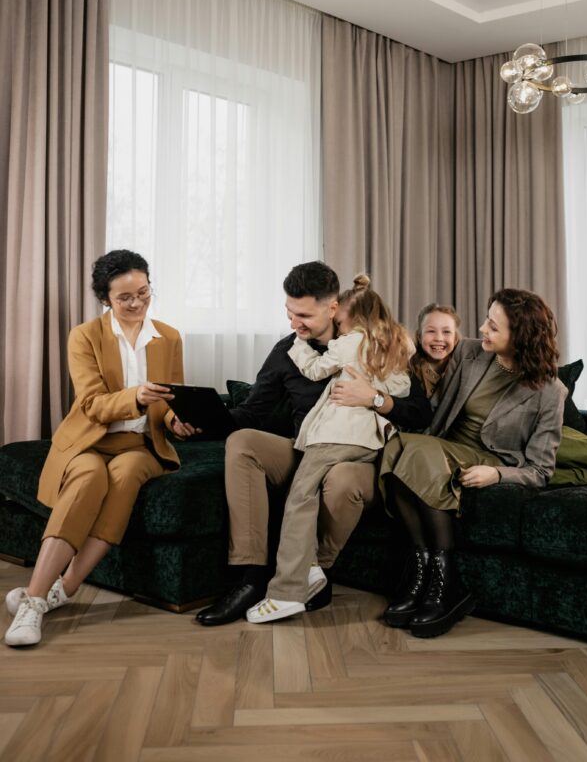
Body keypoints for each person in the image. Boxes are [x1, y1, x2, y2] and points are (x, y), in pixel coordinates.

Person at [195, 261, 432, 627]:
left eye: (303, 315)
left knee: (338, 478)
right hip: (309, 447)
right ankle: (250, 577)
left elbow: (419, 413)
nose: (294, 324)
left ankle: (312, 572)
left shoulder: (381, 345)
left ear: (334, 308)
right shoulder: (287, 349)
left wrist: (373, 398)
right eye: (289, 313)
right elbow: (252, 412)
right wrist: (201, 423)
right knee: (242, 442)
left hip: (363, 462)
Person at [4, 249, 195, 648]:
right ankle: (35, 599)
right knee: (89, 476)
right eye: (125, 297)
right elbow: (91, 404)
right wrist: (137, 396)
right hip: (92, 438)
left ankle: (64, 588)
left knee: (125, 474)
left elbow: (169, 403)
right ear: (105, 297)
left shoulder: (170, 337)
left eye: (144, 292)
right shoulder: (85, 336)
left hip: (141, 446)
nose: (137, 303)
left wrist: (175, 421)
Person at [378, 288, 567, 640]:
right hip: (443, 445)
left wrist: (497, 473)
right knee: (396, 446)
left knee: (417, 451)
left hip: (488, 457)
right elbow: (418, 352)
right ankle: (424, 566)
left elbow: (541, 471)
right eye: (486, 320)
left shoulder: (549, 391)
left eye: (493, 326)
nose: (481, 329)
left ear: (520, 336)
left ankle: (445, 578)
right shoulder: (468, 353)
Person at [246, 274, 413, 622]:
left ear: (351, 318)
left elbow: (314, 369)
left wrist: (296, 344)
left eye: (339, 321)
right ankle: (310, 570)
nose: (337, 327)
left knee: (299, 498)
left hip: (334, 436)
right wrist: (373, 390)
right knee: (307, 495)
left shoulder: (350, 342)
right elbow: (402, 388)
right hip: (368, 442)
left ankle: (286, 592)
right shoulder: (396, 346)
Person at [412, 303, 587, 488]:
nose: (439, 339)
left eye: (446, 332)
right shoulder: (413, 368)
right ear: (418, 335)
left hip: (508, 430)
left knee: (534, 438)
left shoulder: (466, 356)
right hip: (469, 443)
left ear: (457, 336)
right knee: (522, 454)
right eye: (430, 332)